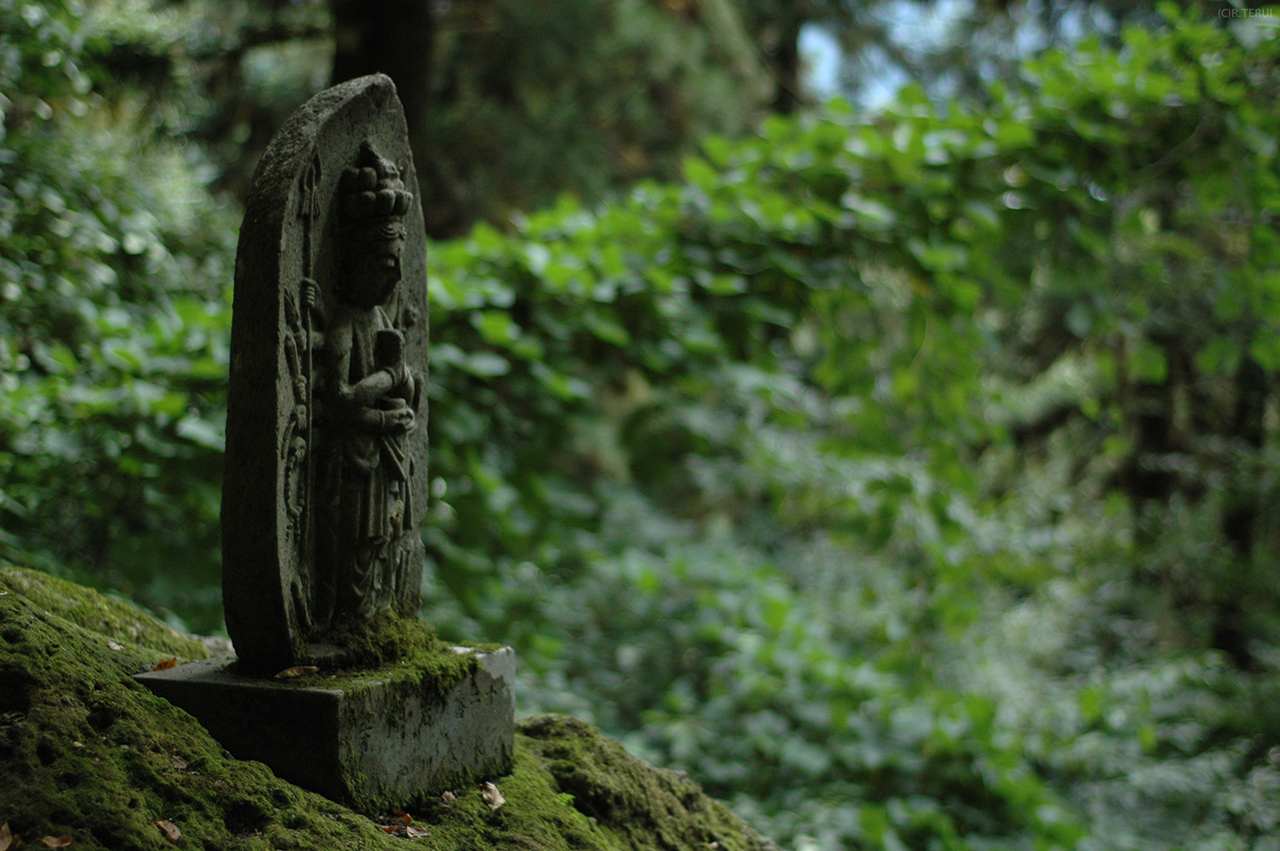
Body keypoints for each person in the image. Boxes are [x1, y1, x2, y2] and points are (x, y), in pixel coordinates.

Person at [319, 141, 420, 625]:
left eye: (398, 265)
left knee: (381, 540)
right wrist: (387, 388)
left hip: (380, 461)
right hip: (354, 463)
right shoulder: (344, 323)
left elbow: (401, 382)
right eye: (384, 265)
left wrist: (404, 393)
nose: (395, 277)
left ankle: (368, 621)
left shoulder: (382, 315)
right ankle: (342, 622)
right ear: (354, 262)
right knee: (353, 547)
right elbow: (337, 399)